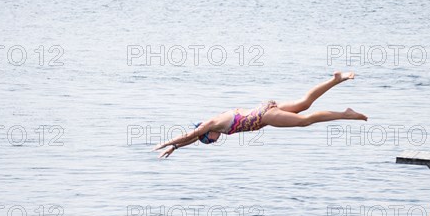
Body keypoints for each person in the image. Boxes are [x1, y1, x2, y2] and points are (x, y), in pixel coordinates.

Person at [153, 71, 368, 158]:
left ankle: (345, 114)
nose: (213, 142)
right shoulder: (215, 124)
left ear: (207, 135)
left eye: (209, 142)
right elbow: (192, 138)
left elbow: (191, 134)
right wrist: (176, 148)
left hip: (264, 117)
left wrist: (167, 144)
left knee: (305, 120)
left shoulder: (211, 124)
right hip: (265, 108)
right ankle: (335, 79)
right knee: (304, 104)